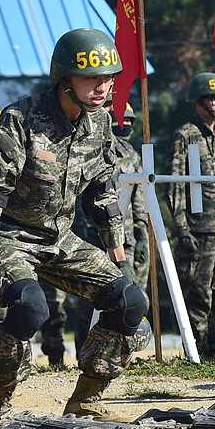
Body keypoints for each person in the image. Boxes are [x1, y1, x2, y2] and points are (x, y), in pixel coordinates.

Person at [0, 28, 146, 419]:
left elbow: (103, 194)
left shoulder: (99, 124)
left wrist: (120, 258)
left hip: (60, 239)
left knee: (130, 300)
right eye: (92, 78)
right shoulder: (20, 120)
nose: (103, 87)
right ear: (65, 78)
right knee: (31, 307)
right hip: (10, 238)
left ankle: (87, 399)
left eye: (109, 77)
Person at [166, 73, 215, 359]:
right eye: (214, 98)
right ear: (198, 101)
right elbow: (176, 181)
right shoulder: (185, 136)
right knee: (198, 292)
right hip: (198, 228)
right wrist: (181, 226)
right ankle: (195, 350)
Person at [69, 100, 149, 360]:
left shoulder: (130, 153)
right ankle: (85, 353)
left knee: (127, 295)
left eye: (128, 121)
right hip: (92, 236)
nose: (123, 124)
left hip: (123, 238)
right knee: (90, 300)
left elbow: (138, 202)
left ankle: (121, 356)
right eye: (119, 119)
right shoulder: (87, 146)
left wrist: (140, 237)